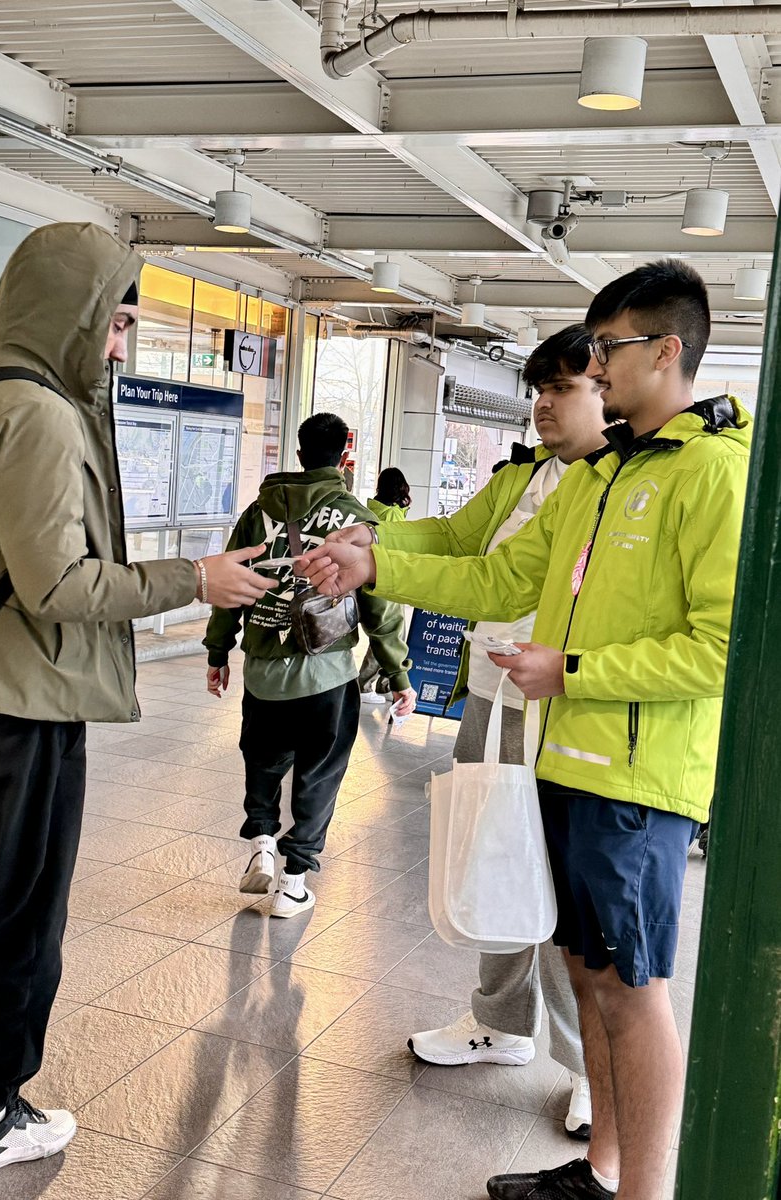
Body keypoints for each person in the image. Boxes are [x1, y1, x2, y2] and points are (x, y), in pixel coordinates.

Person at [301, 261, 750, 1200]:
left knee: (634, 993)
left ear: (669, 351)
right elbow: (496, 578)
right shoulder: (598, 476)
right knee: (587, 979)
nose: (591, 370)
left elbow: (721, 648)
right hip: (564, 760)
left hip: (638, 782)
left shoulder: (715, 476)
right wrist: (374, 566)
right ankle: (602, 1169)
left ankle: (644, 1192)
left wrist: (574, 672)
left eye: (605, 351)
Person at [0, 222, 275, 1178]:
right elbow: (61, 585)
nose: (117, 344)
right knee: (23, 906)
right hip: (28, 695)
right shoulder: (44, 417)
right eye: (114, 323)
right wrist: (197, 580)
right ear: (74, 311)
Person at [372, 326, 606, 1142]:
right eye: (537, 389)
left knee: (554, 890)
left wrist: (376, 567)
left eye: (562, 388)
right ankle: (502, 1025)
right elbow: (457, 540)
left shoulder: (608, 487)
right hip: (489, 693)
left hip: (556, 712)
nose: (542, 404)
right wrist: (372, 534)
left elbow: (495, 578)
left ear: (605, 388)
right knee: (491, 864)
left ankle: (587, 1071)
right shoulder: (532, 477)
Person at [203, 412, 416, 917]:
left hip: (262, 671)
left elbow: (228, 581)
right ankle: (294, 882)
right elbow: (377, 604)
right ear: (344, 456)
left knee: (263, 757)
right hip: (326, 672)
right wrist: (397, 672)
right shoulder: (354, 518)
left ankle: (261, 841)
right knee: (319, 774)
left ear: (297, 455)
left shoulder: (260, 510)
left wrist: (218, 650)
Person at [360, 466, 412, 698]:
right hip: (388, 579)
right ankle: (365, 682)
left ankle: (383, 683)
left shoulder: (371, 510)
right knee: (389, 634)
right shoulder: (392, 515)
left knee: (384, 633)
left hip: (372, 576)